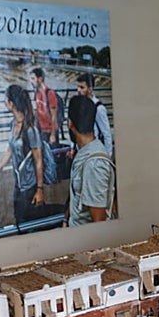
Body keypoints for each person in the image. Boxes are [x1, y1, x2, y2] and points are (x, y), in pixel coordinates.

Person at [0, 83, 48, 227]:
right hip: (19, 184)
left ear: (11, 103)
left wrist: (39, 190)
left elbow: (38, 160)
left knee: (29, 223)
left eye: (5, 99)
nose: (4, 102)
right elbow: (9, 150)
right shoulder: (13, 124)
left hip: (30, 186)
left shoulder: (30, 129)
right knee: (20, 219)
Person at [65, 95, 115, 226]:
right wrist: (66, 220)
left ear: (70, 123)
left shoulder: (95, 163)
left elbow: (98, 225)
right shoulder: (83, 152)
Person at [75, 73, 112, 151]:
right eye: (78, 87)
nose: (78, 90)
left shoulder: (98, 108)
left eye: (82, 88)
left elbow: (106, 134)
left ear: (90, 89)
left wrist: (107, 157)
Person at [31, 67, 61, 146]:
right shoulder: (37, 93)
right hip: (41, 130)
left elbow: (54, 116)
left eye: (33, 79)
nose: (32, 82)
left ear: (40, 79)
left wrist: (53, 134)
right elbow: (37, 111)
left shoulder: (50, 94)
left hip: (50, 131)